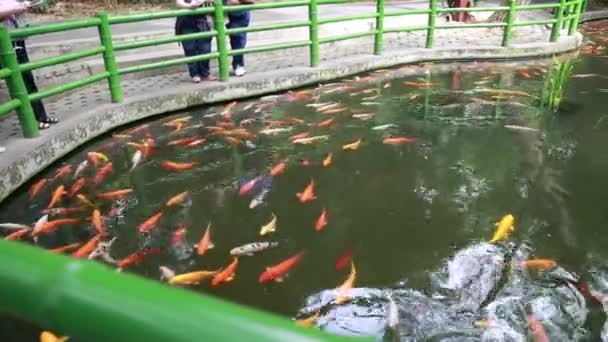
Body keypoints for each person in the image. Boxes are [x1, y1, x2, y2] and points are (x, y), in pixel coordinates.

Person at [0, 0, 58, 130]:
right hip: (4, 45)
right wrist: (15, 10)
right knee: (18, 82)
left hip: (16, 40)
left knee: (27, 80)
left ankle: (40, 117)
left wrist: (23, 8)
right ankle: (31, 121)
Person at [176, 0, 216, 83]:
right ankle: (194, 74)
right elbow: (179, 2)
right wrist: (189, 6)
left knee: (205, 48)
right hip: (186, 20)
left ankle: (205, 73)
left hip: (202, 19)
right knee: (190, 48)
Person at [225, 1, 252, 77]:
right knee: (237, 39)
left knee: (240, 40)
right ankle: (238, 64)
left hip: (241, 11)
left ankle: (238, 64)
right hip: (228, 11)